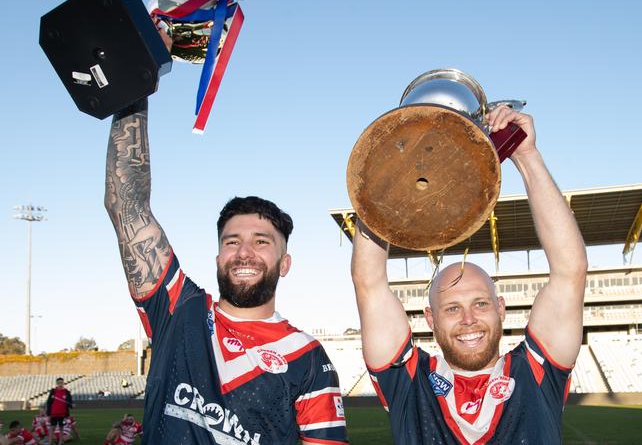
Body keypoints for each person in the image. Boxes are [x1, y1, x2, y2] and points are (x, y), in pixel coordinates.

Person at [103, 100, 348, 444]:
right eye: (232, 242)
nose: (244, 252)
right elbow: (126, 206)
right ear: (218, 258)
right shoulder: (179, 309)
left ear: (285, 263)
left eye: (262, 242)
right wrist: (135, 84)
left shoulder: (307, 358)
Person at [351, 106, 588, 444]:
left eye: (480, 303)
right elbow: (369, 283)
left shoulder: (536, 372)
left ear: (501, 308)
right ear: (430, 319)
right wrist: (389, 174)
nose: (468, 319)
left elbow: (570, 270)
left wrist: (526, 155)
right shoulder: (408, 380)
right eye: (451, 308)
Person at [46, 378, 73, 445]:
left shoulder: (66, 392)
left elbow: (69, 402)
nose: (60, 384)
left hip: (63, 414)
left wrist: (71, 405)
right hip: (54, 413)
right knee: (52, 428)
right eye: (59, 383)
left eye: (61, 382)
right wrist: (48, 414)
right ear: (57, 383)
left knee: (61, 428)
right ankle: (50, 443)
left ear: (63, 383)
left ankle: (60, 442)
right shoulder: (53, 391)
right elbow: (49, 402)